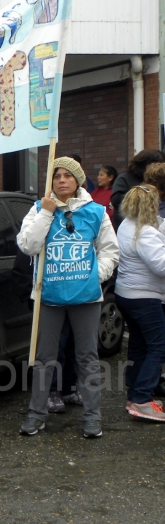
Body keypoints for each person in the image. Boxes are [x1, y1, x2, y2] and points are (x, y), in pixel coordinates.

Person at [17, 157, 119, 439]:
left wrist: (94, 275)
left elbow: (110, 250)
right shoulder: (39, 208)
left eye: (67, 176)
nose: (61, 180)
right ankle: (36, 415)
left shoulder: (97, 212)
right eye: (56, 176)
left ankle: (92, 417)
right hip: (48, 296)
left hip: (86, 297)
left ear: (78, 180)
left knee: (87, 357)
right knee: (44, 358)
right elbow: (28, 245)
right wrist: (47, 213)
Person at [114, 185, 165, 421]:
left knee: (139, 345)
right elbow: (160, 266)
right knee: (158, 346)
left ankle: (134, 394)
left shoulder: (127, 225)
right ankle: (143, 399)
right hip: (144, 297)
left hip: (126, 294)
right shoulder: (145, 232)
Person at [111, 150, 165, 230]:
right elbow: (116, 200)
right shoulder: (125, 178)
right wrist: (142, 198)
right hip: (131, 224)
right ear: (143, 164)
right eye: (153, 164)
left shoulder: (157, 178)